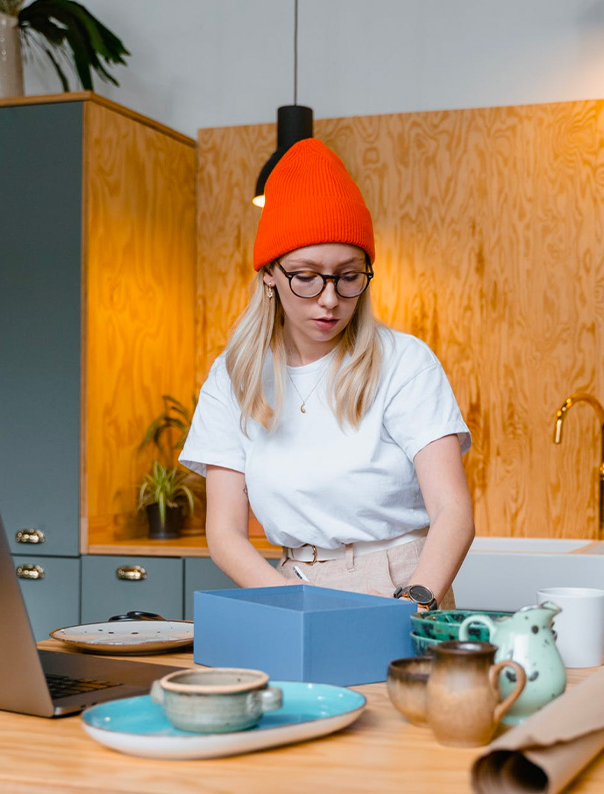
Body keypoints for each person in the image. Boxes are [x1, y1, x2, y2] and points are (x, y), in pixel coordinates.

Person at [179, 138, 473, 610]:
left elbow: (453, 511)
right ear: (270, 274)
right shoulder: (232, 377)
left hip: (402, 580)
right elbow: (225, 534)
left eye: (349, 275)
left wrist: (415, 601)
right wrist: (296, 607)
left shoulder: (405, 361)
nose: (330, 298)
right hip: (290, 583)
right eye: (307, 275)